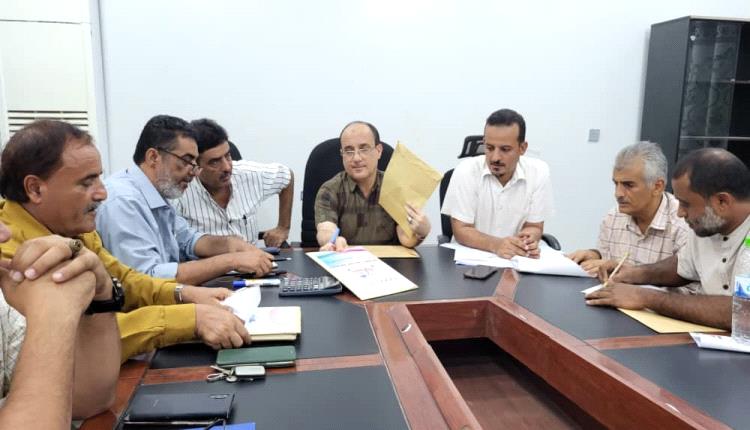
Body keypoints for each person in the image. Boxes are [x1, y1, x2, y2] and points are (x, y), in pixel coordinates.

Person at [0, 120, 251, 361]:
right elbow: (73, 342)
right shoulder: (11, 259)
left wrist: (183, 294)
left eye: (99, 178)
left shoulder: (76, 229)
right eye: (87, 183)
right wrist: (188, 319)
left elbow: (125, 281)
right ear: (35, 189)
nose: (103, 193)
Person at [96, 115, 274, 285]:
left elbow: (188, 239)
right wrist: (231, 260)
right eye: (187, 161)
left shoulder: (157, 193)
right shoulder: (123, 202)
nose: (194, 172)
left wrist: (231, 244)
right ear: (153, 157)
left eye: (195, 164)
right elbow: (147, 279)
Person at [586, 148, 750, 330]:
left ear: (722, 202)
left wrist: (646, 297)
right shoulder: (708, 225)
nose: (680, 213)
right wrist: (636, 273)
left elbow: (743, 312)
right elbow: (683, 266)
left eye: (686, 204)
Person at [568, 142, 695, 293]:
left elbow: (691, 293)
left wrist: (638, 283)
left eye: (628, 185)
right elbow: (606, 266)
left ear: (657, 187)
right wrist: (594, 256)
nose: (618, 194)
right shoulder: (614, 216)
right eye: (616, 184)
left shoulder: (684, 224)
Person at [441, 108, 554, 259]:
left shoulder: (538, 172)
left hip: (517, 260)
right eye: (489, 148)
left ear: (522, 148)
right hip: (470, 260)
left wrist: (526, 240)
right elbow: (461, 229)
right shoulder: (466, 171)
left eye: (505, 149)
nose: (495, 157)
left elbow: (534, 226)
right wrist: (496, 245)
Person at [175, 118, 293, 247]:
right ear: (195, 165)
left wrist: (283, 227)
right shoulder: (180, 192)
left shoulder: (248, 174)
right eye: (215, 162)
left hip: (252, 258)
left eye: (227, 156)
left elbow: (287, 176)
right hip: (207, 259)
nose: (227, 167)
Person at [314, 121, 431, 251]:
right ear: (342, 154)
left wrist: (421, 232)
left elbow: (405, 238)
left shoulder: (395, 186)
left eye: (364, 149)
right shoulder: (330, 190)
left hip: (388, 260)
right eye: (349, 151)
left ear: (378, 151)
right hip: (346, 257)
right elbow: (325, 229)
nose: (356, 158)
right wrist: (333, 241)